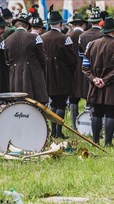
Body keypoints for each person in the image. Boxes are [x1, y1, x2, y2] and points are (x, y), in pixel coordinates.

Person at [82, 16, 114, 147]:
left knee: (96, 112)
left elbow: (85, 66)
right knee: (110, 113)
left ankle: (95, 141)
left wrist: (94, 79)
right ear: (113, 32)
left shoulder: (91, 45)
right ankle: (108, 142)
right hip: (113, 85)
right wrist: (105, 80)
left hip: (95, 84)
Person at [41, 10, 77, 138]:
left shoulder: (42, 37)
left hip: (47, 76)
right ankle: (58, 131)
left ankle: (54, 131)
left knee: (53, 103)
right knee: (61, 103)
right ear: (61, 24)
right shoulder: (65, 38)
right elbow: (72, 59)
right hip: (62, 75)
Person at [0, 13, 48, 104]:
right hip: (33, 78)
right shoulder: (35, 37)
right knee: (36, 106)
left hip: (15, 79)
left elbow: (7, 62)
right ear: (27, 26)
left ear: (15, 25)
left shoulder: (6, 41)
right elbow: (43, 59)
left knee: (18, 105)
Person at [67, 13, 87, 130]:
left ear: (73, 25)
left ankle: (74, 125)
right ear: (83, 24)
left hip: (72, 70)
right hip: (85, 69)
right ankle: (86, 124)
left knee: (73, 99)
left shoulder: (68, 36)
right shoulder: (85, 35)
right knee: (88, 98)